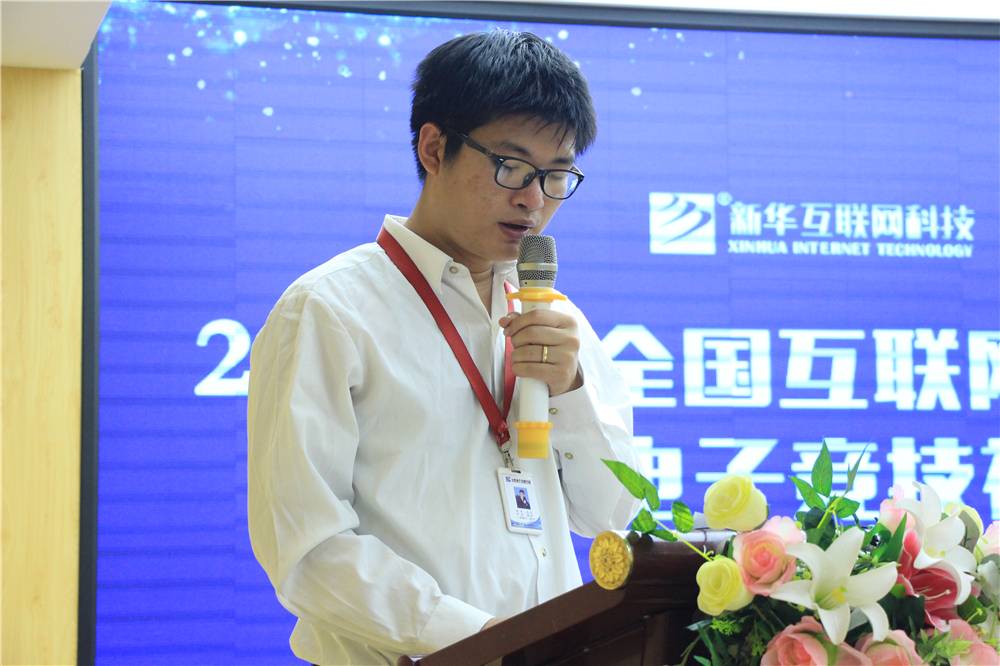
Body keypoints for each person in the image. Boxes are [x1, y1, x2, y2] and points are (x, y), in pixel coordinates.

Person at [247, 29, 640, 665]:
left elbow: (609, 515)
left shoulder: (554, 318)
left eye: (556, 175)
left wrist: (571, 392)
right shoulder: (328, 309)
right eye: (512, 166)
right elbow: (307, 547)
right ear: (435, 148)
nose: (533, 199)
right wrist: (478, 638)